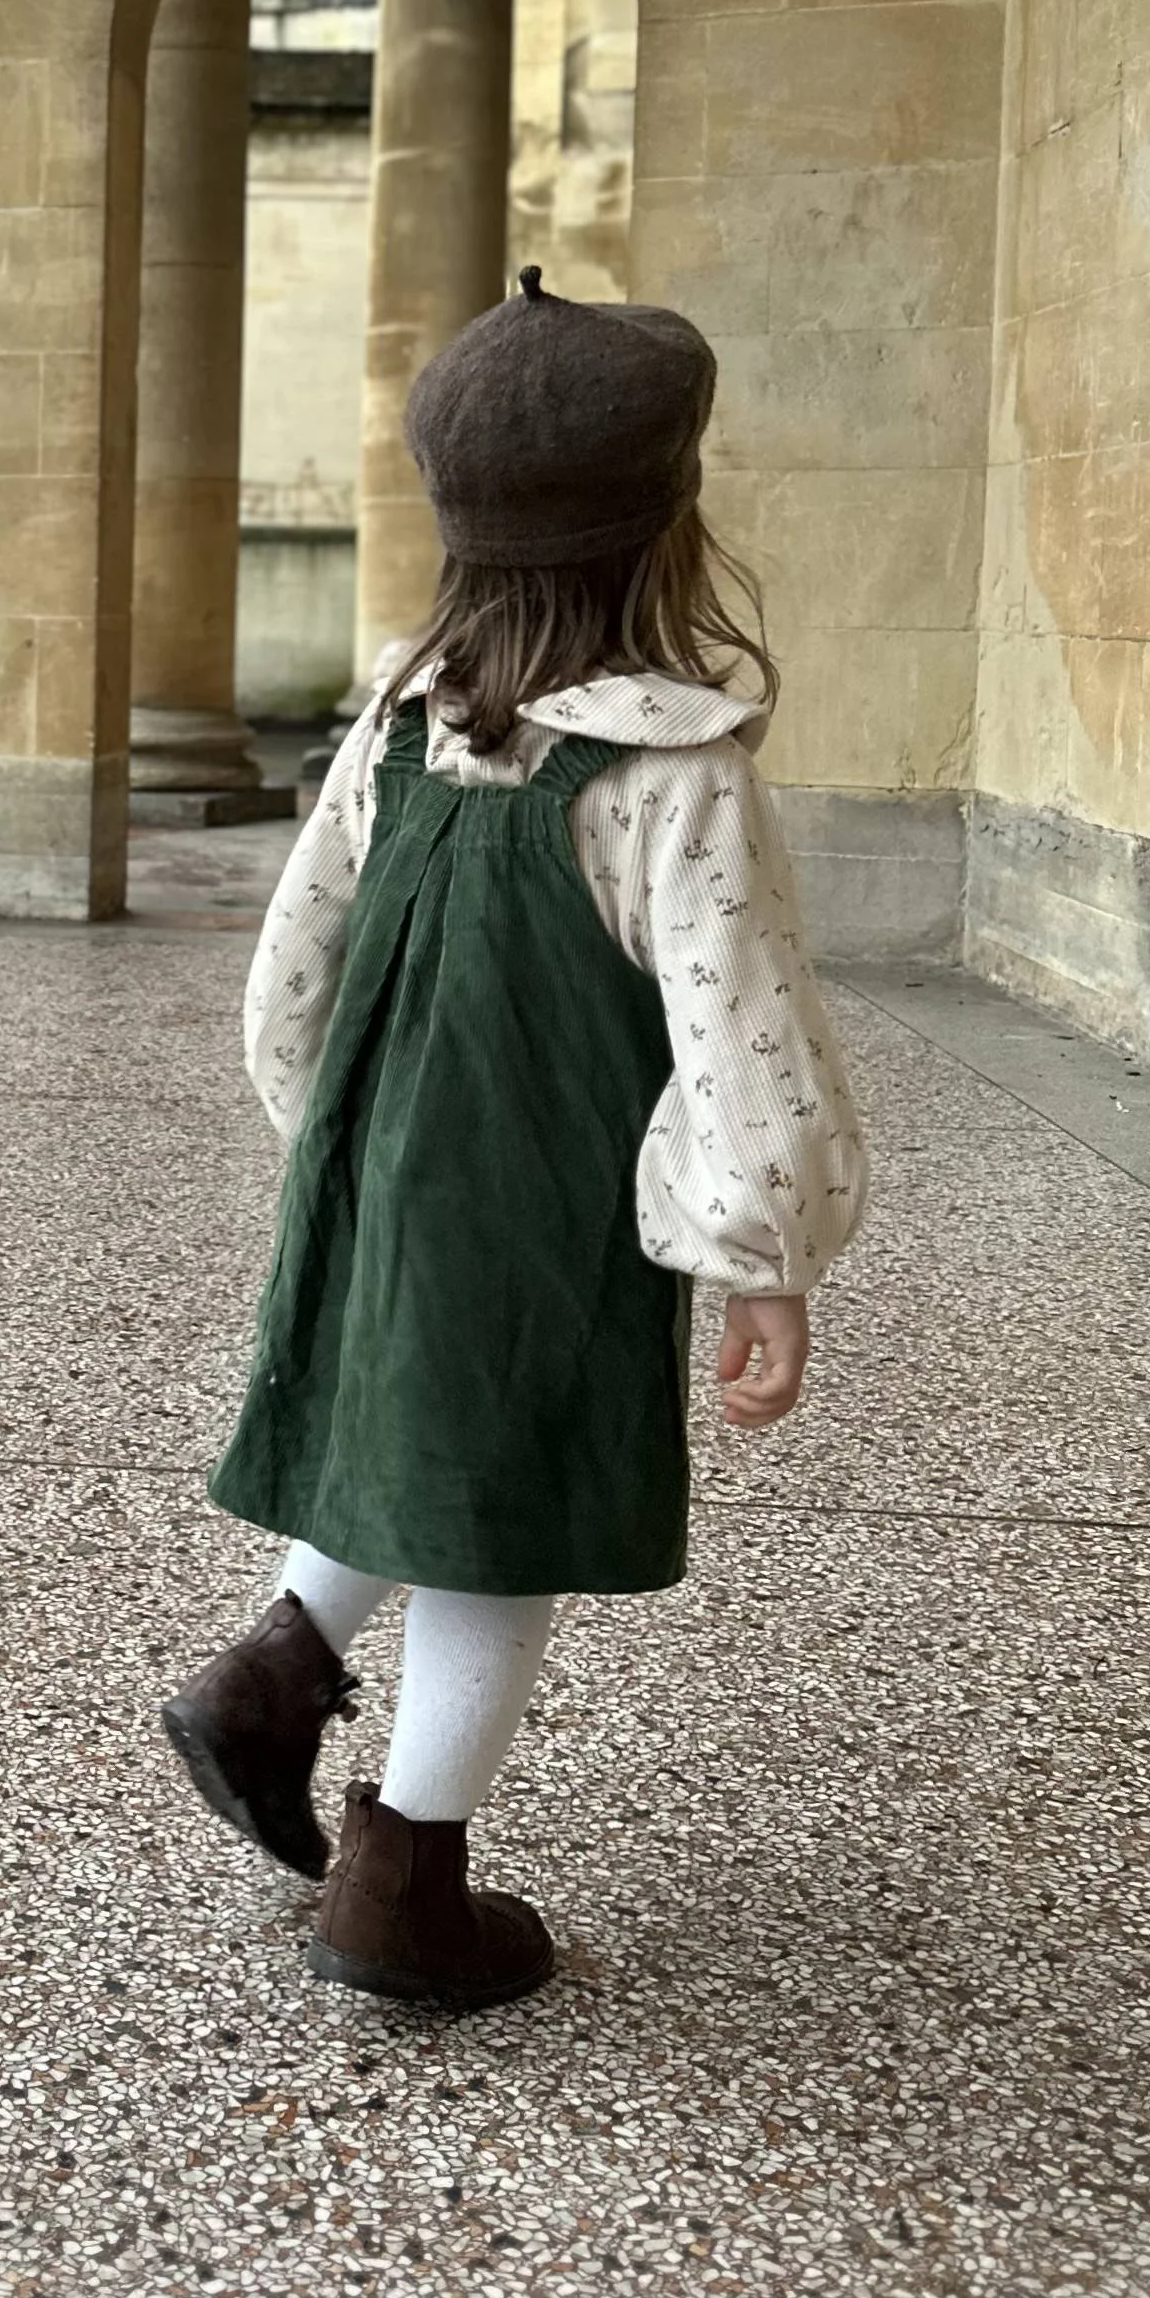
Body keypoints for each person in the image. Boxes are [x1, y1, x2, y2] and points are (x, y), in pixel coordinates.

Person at [160, 266, 868, 2011]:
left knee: (411, 1449)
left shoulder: (404, 724)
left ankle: (263, 1688)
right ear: (666, 531)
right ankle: (401, 1889)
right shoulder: (676, 771)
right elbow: (745, 1033)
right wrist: (764, 1256)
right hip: (548, 1216)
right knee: (504, 1521)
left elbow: (290, 981)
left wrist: (350, 1153)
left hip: (386, 1183)